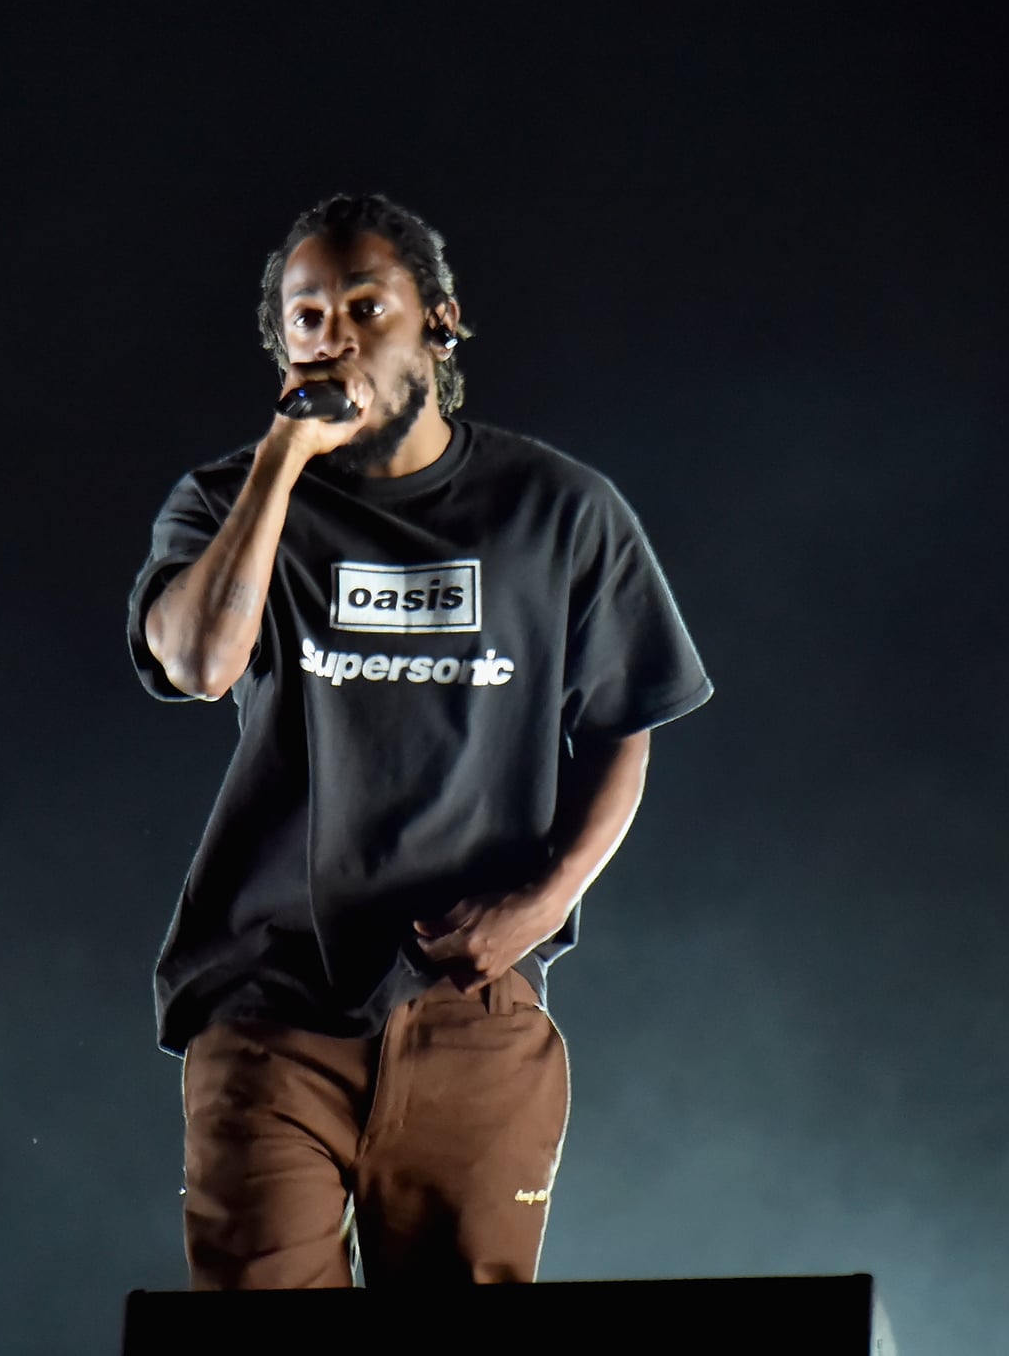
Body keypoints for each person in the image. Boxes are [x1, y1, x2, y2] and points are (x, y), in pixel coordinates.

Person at [126, 193, 711, 1289]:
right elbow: (197, 661)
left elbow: (623, 726)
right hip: (267, 1004)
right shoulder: (223, 501)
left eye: (363, 304)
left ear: (438, 319)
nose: (333, 335)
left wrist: (537, 908)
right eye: (305, 317)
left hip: (469, 1009)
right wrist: (280, 462)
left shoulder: (560, 510)